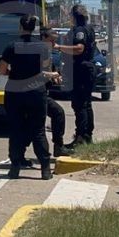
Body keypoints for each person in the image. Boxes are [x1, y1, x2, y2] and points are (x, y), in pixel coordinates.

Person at [0, 14, 55, 180]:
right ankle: (45, 169)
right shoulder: (43, 47)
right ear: (35, 28)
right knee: (38, 130)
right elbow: (45, 68)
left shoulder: (11, 46)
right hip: (36, 92)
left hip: (15, 92)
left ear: (20, 27)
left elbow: (2, 70)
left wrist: (14, 72)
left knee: (16, 130)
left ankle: (15, 167)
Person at [59, 4, 97, 149]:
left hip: (81, 70)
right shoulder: (89, 28)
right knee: (86, 104)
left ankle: (80, 137)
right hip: (86, 69)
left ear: (74, 16)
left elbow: (79, 49)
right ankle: (87, 137)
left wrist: (59, 47)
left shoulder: (80, 30)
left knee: (80, 105)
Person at [41, 28, 70, 157]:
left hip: (42, 92)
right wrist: (52, 75)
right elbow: (35, 72)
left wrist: (55, 77)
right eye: (51, 41)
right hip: (34, 93)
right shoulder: (37, 51)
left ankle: (58, 146)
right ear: (43, 38)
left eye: (55, 41)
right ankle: (58, 146)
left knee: (34, 125)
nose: (54, 44)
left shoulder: (47, 52)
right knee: (57, 113)